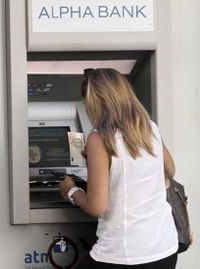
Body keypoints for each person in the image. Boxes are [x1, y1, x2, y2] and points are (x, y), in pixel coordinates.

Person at [59, 68, 178, 268]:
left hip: (124, 254)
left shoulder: (99, 139)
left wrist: (71, 190)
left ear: (95, 103)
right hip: (164, 248)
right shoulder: (149, 127)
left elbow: (97, 207)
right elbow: (170, 170)